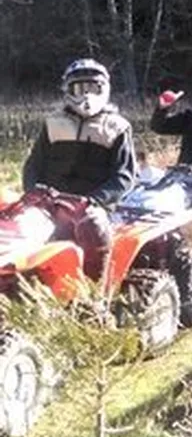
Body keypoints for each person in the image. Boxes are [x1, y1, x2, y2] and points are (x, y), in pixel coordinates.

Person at [22, 58, 136, 281]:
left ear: (104, 89)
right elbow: (34, 164)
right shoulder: (54, 123)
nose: (87, 95)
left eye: (93, 88)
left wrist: (95, 200)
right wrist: (32, 191)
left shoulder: (117, 126)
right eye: (79, 88)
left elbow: (125, 175)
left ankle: (94, 293)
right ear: (68, 90)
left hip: (92, 203)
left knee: (91, 226)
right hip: (51, 199)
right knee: (17, 225)